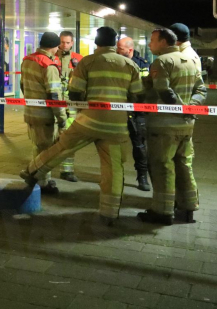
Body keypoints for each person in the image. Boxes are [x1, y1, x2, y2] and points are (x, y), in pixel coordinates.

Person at [20, 27, 143, 225]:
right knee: (114, 168)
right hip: (116, 125)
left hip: (88, 120)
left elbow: (75, 92)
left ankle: (32, 171)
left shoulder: (86, 62)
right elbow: (137, 95)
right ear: (114, 43)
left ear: (96, 42)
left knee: (61, 146)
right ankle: (109, 213)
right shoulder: (129, 65)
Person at [138, 28, 207, 225]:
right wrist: (190, 108)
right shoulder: (192, 59)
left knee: (162, 166)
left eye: (152, 40)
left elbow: (163, 90)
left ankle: (162, 211)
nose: (150, 44)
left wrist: (179, 109)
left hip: (164, 125)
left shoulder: (162, 61)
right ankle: (188, 208)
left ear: (164, 42)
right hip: (186, 125)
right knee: (184, 164)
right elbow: (201, 89)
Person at [20, 32, 67, 195]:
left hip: (30, 113)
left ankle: (41, 180)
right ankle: (41, 182)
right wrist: (62, 118)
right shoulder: (48, 65)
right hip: (45, 116)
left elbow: (22, 86)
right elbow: (54, 95)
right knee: (47, 151)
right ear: (55, 47)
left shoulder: (27, 60)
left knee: (38, 148)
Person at [116, 37, 151, 192]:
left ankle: (142, 176)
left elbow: (145, 88)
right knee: (115, 144)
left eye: (120, 48)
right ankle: (117, 176)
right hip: (119, 109)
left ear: (129, 49)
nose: (117, 50)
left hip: (137, 111)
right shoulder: (116, 63)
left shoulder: (142, 64)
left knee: (139, 145)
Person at [57, 30, 84, 182]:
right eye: (62, 42)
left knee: (69, 137)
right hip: (54, 103)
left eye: (67, 42)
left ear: (72, 43)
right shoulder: (52, 57)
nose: (65, 45)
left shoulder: (78, 59)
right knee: (50, 138)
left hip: (71, 105)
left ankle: (67, 170)